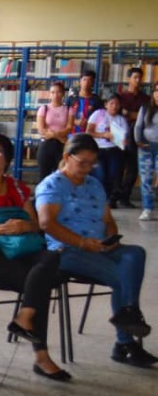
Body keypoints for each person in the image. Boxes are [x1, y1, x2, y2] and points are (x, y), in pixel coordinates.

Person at [0, 133, 69, 381]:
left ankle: (25, 318)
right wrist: (2, 229)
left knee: (49, 260)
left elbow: (35, 224)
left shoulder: (16, 187)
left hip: (18, 250)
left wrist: (24, 226)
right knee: (39, 283)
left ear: (6, 159)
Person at [36, 134, 156, 368]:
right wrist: (82, 243)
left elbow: (108, 219)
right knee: (121, 275)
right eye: (82, 162)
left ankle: (128, 315)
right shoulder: (52, 185)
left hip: (99, 246)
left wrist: (111, 237)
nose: (87, 168)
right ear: (66, 157)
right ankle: (125, 342)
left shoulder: (93, 184)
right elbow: (46, 223)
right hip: (67, 250)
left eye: (92, 163)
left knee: (135, 253)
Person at [115, 67, 148, 208]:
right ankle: (113, 197)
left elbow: (146, 117)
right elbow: (114, 113)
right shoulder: (120, 97)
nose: (138, 80)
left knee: (133, 169)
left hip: (137, 137)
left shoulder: (145, 98)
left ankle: (125, 197)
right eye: (135, 77)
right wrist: (133, 115)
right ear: (128, 78)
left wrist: (129, 113)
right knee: (117, 167)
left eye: (140, 77)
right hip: (119, 135)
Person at [86, 94, 128, 203]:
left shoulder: (120, 120)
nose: (114, 106)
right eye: (111, 103)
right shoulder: (98, 114)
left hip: (114, 149)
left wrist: (124, 141)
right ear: (106, 104)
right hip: (99, 148)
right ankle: (98, 198)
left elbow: (125, 136)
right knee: (100, 174)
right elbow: (89, 131)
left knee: (113, 174)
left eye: (117, 104)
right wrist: (103, 135)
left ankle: (109, 198)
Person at [35, 81, 73, 182]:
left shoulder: (69, 109)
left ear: (63, 94)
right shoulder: (44, 108)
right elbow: (41, 129)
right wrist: (59, 135)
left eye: (58, 92)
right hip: (46, 145)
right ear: (49, 94)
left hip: (62, 146)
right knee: (44, 176)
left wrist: (53, 134)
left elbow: (69, 127)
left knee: (61, 175)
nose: (55, 95)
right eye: (53, 92)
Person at [134, 85, 158, 221]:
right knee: (146, 179)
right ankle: (147, 208)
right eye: (156, 91)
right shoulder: (145, 108)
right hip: (146, 147)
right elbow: (138, 126)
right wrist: (139, 141)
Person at [68, 69, 103, 135]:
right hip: (71, 135)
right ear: (80, 81)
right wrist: (75, 121)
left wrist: (90, 123)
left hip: (90, 135)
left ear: (93, 83)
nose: (86, 83)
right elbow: (64, 115)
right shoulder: (71, 98)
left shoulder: (97, 100)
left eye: (89, 80)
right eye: (84, 79)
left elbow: (102, 118)